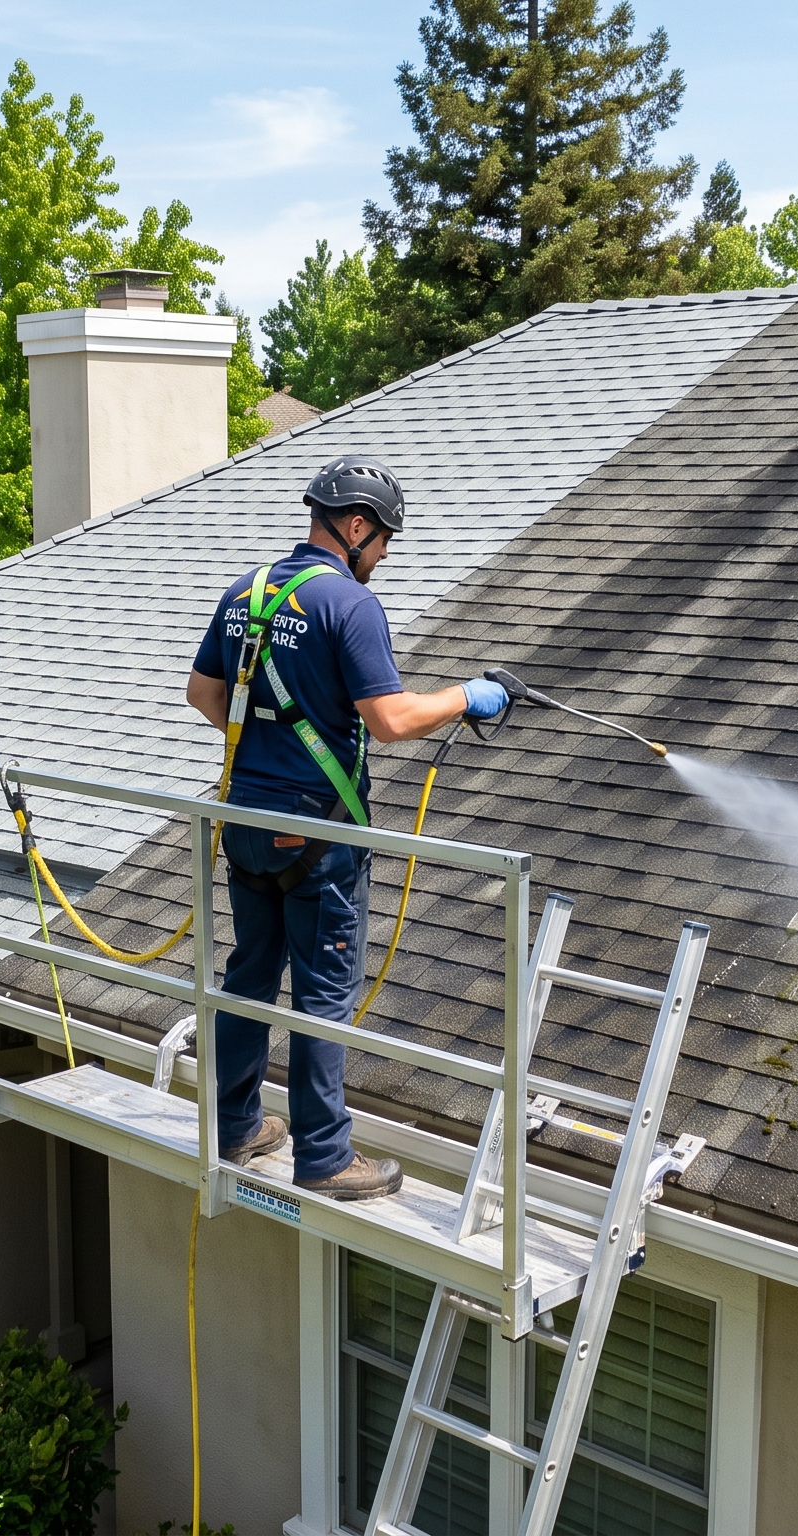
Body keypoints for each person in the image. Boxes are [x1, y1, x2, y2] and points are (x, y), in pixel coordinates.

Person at [185, 455, 509, 1200]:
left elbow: (203, 692)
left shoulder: (248, 591)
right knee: (325, 994)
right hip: (318, 832)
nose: (385, 555)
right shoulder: (347, 606)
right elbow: (391, 721)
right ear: (355, 526)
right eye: (384, 538)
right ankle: (326, 1157)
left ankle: (234, 1124)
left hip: (244, 820)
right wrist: (469, 694)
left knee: (249, 977)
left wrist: (268, 747)